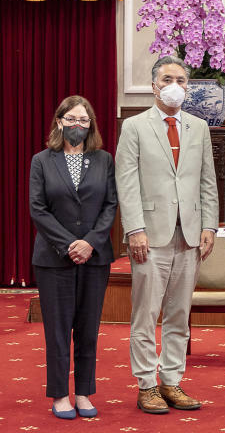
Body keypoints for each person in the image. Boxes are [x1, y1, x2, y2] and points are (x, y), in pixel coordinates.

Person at [115, 55, 218, 415]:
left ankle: (171, 380)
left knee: (178, 314)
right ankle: (146, 384)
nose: (175, 84)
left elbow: (207, 180)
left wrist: (209, 225)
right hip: (150, 235)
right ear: (154, 84)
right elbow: (126, 181)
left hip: (189, 235)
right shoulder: (135, 127)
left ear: (188, 87)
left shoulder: (198, 127)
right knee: (146, 314)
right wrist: (134, 229)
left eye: (181, 79)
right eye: (167, 78)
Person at [30, 96, 117, 420]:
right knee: (57, 331)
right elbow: (37, 209)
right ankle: (60, 395)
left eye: (83, 120)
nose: (77, 125)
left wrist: (90, 243)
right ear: (59, 122)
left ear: (91, 125)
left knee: (88, 330)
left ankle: (83, 392)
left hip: (95, 259)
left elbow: (110, 205)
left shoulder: (103, 160)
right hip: (54, 259)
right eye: (71, 119)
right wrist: (70, 244)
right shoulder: (42, 161)